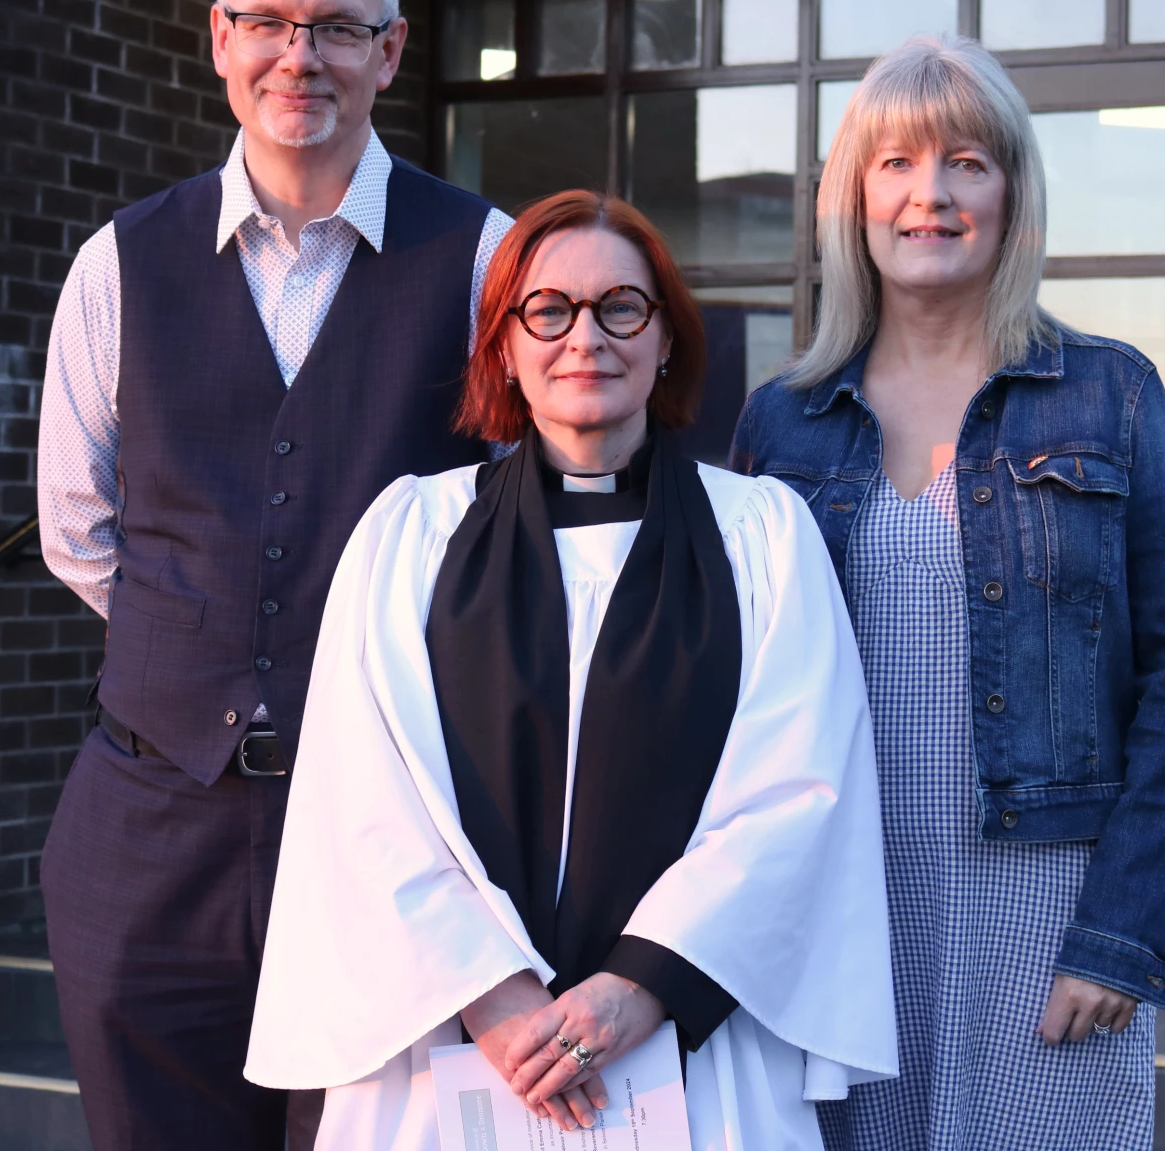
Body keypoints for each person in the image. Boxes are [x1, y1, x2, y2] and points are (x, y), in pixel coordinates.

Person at [244, 191, 901, 1150]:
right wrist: (494, 997)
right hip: (463, 1046)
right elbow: (361, 798)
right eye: (547, 311)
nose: (583, 337)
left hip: (684, 1041)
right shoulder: (411, 536)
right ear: (504, 344)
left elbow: (800, 789)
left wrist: (640, 988)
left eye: (620, 308)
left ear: (666, 337)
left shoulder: (763, 537)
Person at [34, 0, 512, 1151]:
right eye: (268, 23)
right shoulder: (120, 262)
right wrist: (200, 645)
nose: (299, 56)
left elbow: (525, 536)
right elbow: (79, 526)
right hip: (148, 834)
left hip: (397, 842)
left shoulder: (482, 260)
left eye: (337, 28)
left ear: (391, 51)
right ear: (219, 39)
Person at [730, 36, 1165, 1149]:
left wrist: (1120, 933)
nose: (932, 194)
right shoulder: (781, 421)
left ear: (1012, 194)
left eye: (968, 162)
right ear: (855, 197)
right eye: (897, 163)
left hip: (1049, 904)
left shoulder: (1111, 392)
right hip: (838, 906)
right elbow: (730, 693)